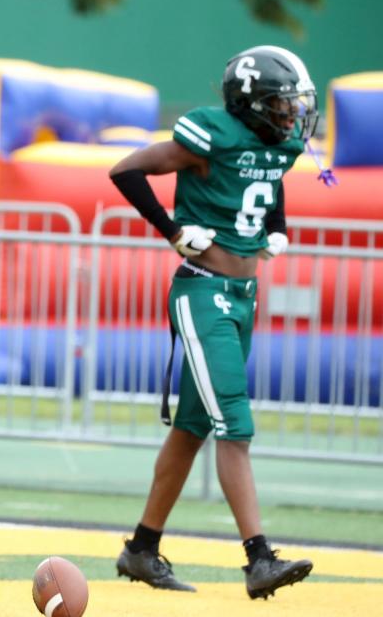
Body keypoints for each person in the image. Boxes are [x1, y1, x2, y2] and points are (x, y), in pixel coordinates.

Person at [108, 46, 318, 599]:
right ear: (249, 104)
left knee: (192, 429)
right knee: (235, 426)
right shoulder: (209, 135)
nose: (291, 114)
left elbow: (266, 182)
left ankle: (141, 550)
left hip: (244, 295)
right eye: (280, 103)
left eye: (294, 104)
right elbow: (125, 170)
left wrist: (276, 224)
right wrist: (173, 230)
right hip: (204, 295)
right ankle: (259, 559)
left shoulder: (280, 145)